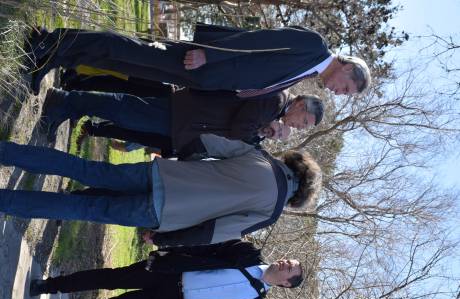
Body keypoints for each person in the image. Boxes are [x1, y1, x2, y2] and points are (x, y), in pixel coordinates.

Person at [0, 134, 322, 246]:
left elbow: (204, 143)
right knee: (83, 209)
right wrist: (165, 239)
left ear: (294, 163)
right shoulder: (269, 214)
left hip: (160, 174)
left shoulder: (259, 156)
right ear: (298, 196)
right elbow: (212, 232)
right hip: (162, 213)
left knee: (85, 169)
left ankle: (7, 151)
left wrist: (184, 163)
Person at [28, 24, 371, 97]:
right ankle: (51, 39)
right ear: (346, 68)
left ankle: (56, 58)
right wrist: (210, 54)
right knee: (127, 50)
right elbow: (259, 40)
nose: (339, 93)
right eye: (346, 88)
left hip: (200, 76)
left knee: (125, 65)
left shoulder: (307, 74)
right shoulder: (314, 46)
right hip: (202, 59)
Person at [30, 240, 303, 299]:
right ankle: (49, 285)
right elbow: (205, 248)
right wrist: (168, 251)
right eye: (288, 260)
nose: (284, 263)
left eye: (289, 269)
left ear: (286, 284)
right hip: (169, 271)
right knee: (109, 277)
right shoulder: (249, 253)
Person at [40, 86, 323, 148]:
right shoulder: (275, 101)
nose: (299, 126)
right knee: (123, 109)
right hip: (186, 112)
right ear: (300, 104)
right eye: (305, 121)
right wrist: (263, 129)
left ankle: (69, 106)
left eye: (304, 127)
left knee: (125, 113)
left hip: (186, 119)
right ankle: (62, 100)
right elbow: (238, 131)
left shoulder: (275, 110)